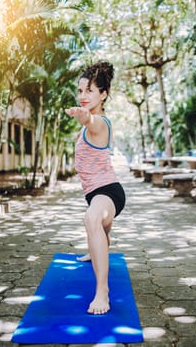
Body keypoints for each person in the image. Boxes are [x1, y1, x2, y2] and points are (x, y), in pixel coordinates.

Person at [65, 61, 126, 315]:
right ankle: (95, 250)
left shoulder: (99, 121)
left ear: (103, 94)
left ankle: (102, 292)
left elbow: (93, 122)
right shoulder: (90, 124)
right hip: (97, 193)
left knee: (91, 218)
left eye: (89, 90)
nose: (82, 96)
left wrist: (86, 117)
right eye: (80, 91)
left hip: (108, 192)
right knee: (97, 227)